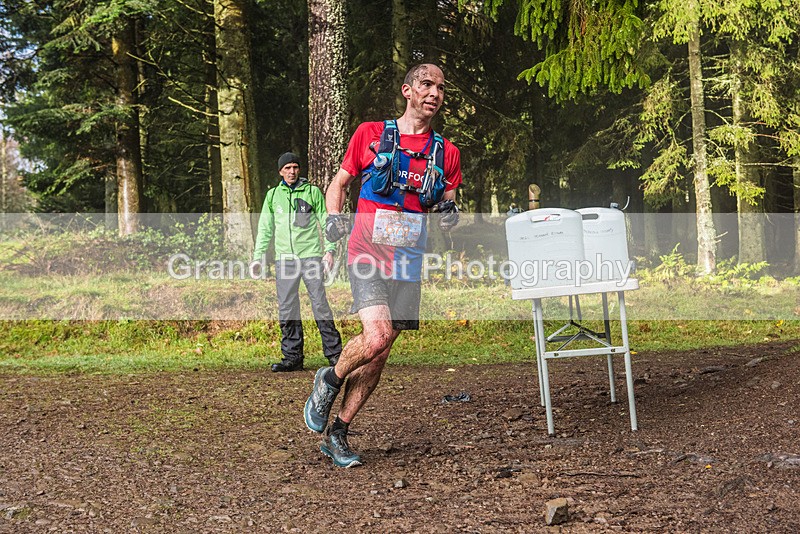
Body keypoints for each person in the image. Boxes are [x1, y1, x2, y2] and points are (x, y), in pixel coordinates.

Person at [303, 64, 462, 467]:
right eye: (426, 85)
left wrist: (449, 214)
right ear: (407, 90)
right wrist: (333, 218)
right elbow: (338, 183)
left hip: (408, 262)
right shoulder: (370, 134)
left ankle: (337, 433)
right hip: (366, 254)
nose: (434, 93)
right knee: (376, 336)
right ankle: (330, 378)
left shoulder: (447, 153)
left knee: (381, 353)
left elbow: (447, 202)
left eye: (441, 88)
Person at [253, 152, 342, 372]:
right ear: (280, 171)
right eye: (287, 168)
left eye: (295, 167)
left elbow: (325, 223)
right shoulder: (273, 196)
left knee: (320, 305)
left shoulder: (312, 192)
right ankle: (292, 357)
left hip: (311, 256)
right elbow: (265, 228)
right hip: (285, 260)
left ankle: (336, 355)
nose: (292, 171)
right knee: (287, 308)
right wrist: (258, 257)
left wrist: (329, 251)